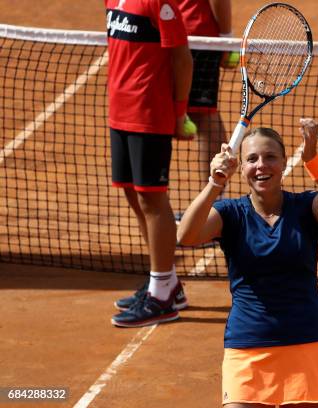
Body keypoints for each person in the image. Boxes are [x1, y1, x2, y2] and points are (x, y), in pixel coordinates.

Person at [177, 118, 318, 407]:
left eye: (270, 157)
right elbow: (186, 235)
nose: (261, 165)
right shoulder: (231, 213)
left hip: (305, 342)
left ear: (285, 162)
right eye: (252, 159)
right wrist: (214, 183)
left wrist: (313, 161)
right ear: (241, 167)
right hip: (247, 344)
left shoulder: (306, 206)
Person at [105, 0, 193, 327]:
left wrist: (179, 111)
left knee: (152, 198)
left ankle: (161, 296)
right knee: (132, 194)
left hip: (150, 113)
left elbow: (182, 58)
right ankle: (166, 280)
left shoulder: (160, 2)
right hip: (120, 111)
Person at [177, 0, 234, 187]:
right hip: (173, 31)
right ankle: (213, 200)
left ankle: (211, 202)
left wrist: (226, 38)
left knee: (203, 115)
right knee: (205, 114)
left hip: (194, 37)